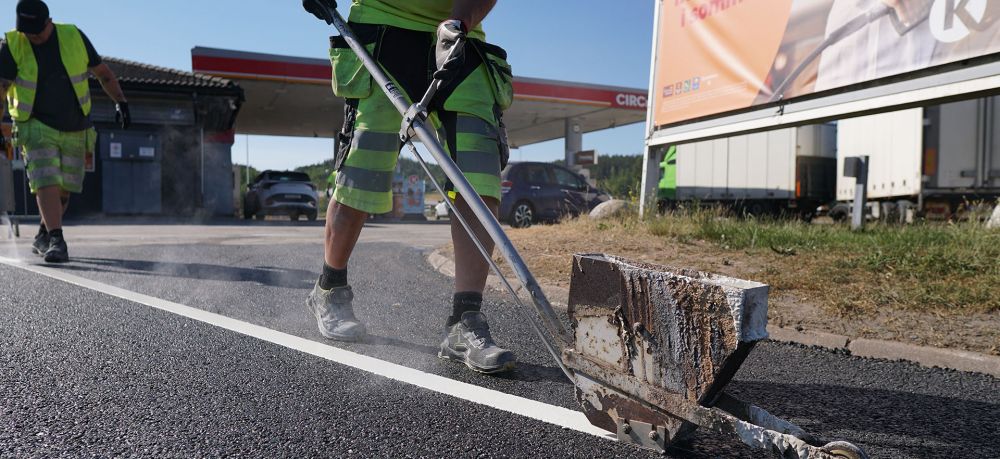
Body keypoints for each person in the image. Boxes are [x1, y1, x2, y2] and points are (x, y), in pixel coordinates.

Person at [304, 0, 516, 374]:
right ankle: (329, 287)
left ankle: (465, 320)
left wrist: (462, 19)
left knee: (477, 179)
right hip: (383, 30)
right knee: (362, 174)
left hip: (460, 35)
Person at [0, 0, 130, 263]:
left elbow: (103, 74)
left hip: (75, 125)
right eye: (28, 32)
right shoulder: (13, 45)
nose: (33, 37)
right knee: (45, 178)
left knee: (65, 189)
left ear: (49, 22)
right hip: (34, 123)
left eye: (38, 31)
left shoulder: (73, 36)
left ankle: (44, 233)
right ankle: (58, 239)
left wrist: (121, 102)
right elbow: (0, 89)